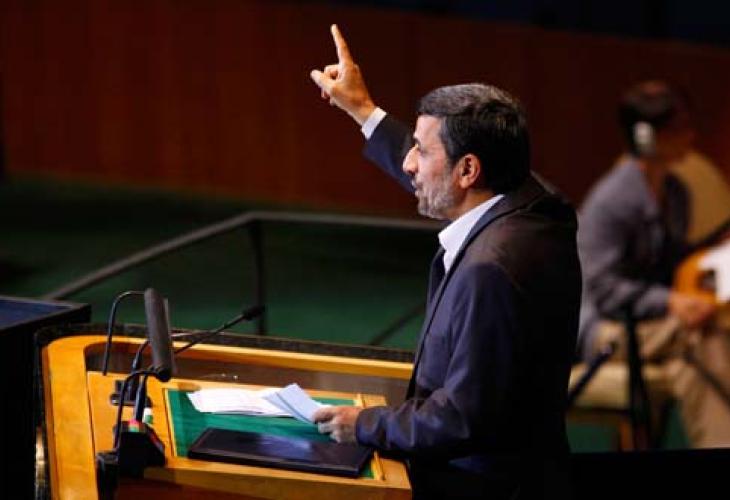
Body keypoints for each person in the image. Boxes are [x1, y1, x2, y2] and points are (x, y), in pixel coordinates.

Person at [309, 25, 581, 499]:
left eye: (421, 149)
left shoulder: (491, 269)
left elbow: (463, 418)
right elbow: (442, 175)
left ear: (469, 169)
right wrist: (363, 110)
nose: (409, 163)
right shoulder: (537, 206)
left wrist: (365, 423)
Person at [577, 80, 730, 447]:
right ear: (646, 136)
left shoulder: (676, 193)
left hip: (649, 327)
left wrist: (714, 249)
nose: (690, 135)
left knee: (690, 369)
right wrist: (671, 301)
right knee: (703, 334)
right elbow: (604, 289)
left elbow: (668, 263)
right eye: (678, 128)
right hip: (605, 330)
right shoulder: (612, 200)